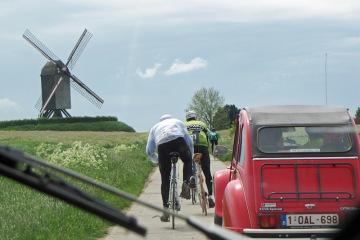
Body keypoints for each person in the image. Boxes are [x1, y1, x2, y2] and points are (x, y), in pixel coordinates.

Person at [146, 114, 194, 222]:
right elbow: (189, 141)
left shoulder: (155, 127)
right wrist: (190, 155)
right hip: (178, 142)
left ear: (160, 121)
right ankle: (187, 181)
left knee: (165, 180)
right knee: (187, 161)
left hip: (163, 147)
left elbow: (149, 150)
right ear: (171, 119)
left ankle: (165, 210)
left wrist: (157, 159)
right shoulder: (178, 122)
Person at [185, 110, 215, 208]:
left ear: (187, 118)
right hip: (202, 147)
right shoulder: (201, 123)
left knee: (188, 164)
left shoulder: (184, 124)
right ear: (195, 117)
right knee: (207, 173)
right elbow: (210, 135)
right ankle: (211, 196)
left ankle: (191, 178)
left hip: (190, 146)